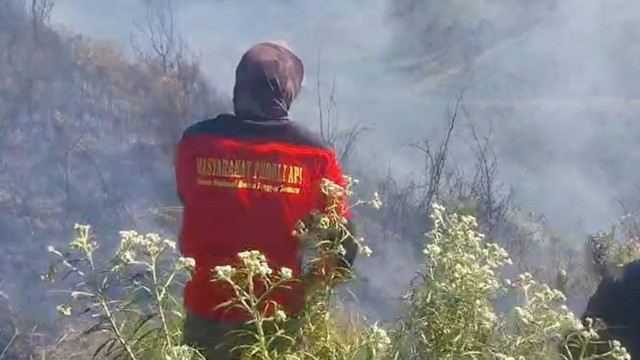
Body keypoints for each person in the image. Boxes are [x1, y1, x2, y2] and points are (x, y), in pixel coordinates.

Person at [174, 41, 358, 359]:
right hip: (276, 318)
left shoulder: (196, 142)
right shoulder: (314, 155)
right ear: (286, 94)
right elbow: (344, 241)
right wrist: (310, 287)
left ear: (239, 88)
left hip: (205, 310)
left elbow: (188, 197)